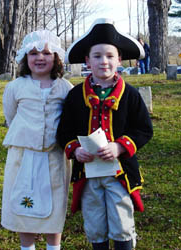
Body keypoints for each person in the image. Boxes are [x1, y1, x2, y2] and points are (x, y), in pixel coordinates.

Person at [57, 18, 153, 250]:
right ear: (87, 60)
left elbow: (143, 129)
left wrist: (120, 147)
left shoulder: (129, 95)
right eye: (97, 56)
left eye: (110, 56)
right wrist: (75, 150)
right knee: (94, 223)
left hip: (120, 174)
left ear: (119, 60)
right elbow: (64, 132)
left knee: (121, 222)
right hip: (87, 174)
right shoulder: (75, 96)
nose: (104, 61)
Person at [1, 29, 73, 250]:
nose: (39, 58)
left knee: (54, 204)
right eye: (33, 53)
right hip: (23, 156)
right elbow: (11, 116)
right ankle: (27, 246)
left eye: (46, 53)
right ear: (25, 58)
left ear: (56, 58)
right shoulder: (15, 87)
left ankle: (54, 246)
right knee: (24, 206)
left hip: (54, 157)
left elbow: (70, 119)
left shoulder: (65, 88)